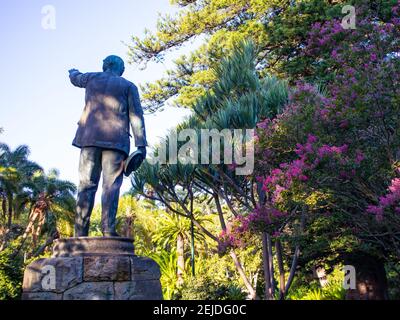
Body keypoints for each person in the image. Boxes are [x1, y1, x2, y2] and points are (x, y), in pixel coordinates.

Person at [69, 55, 147, 237]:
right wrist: (141, 144)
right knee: (110, 187)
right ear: (119, 68)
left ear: (105, 66)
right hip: (116, 142)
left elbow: (75, 78)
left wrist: (72, 71)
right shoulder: (128, 86)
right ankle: (108, 230)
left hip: (89, 139)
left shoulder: (91, 78)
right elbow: (137, 116)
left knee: (86, 185)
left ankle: (80, 233)